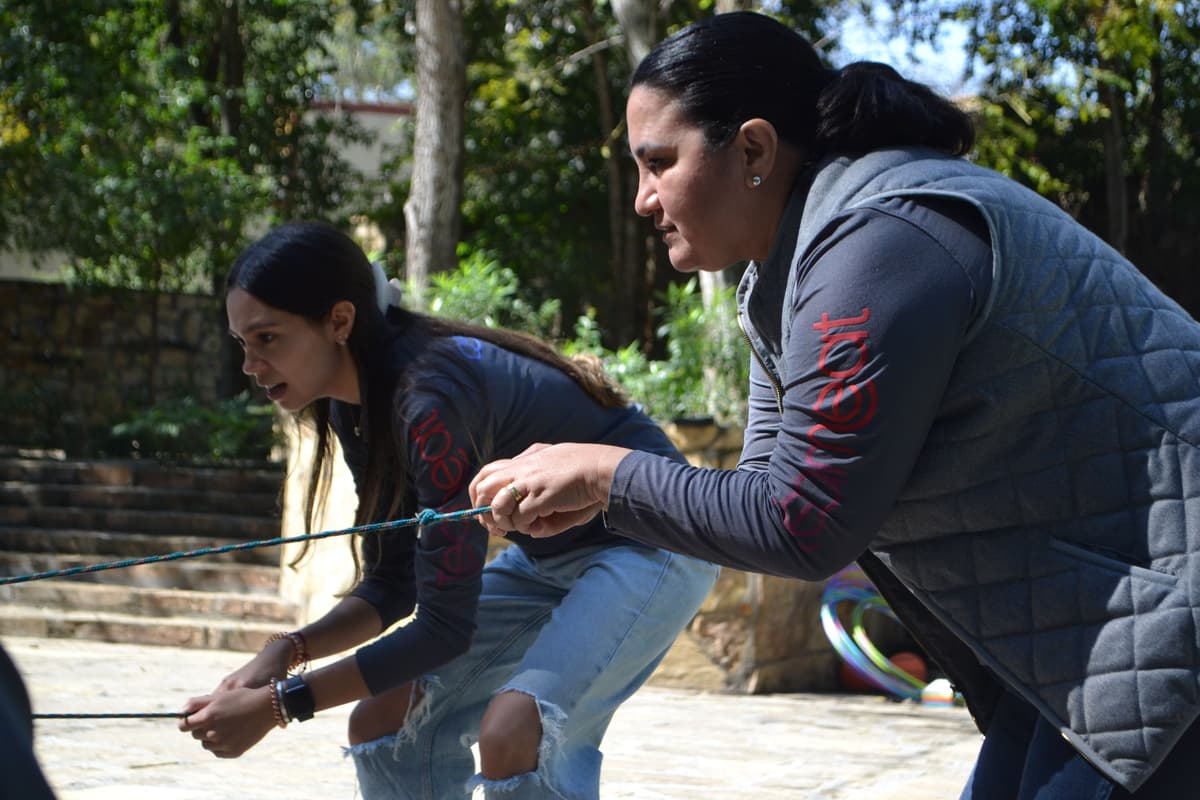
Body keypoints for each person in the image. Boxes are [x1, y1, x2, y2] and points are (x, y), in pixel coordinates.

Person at [470, 10, 1200, 799]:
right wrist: (605, 499)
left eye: (659, 163)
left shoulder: (879, 244)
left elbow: (802, 522)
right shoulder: (791, 276)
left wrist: (606, 474)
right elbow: (762, 506)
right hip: (1096, 632)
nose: (644, 199)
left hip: (1164, 612)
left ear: (753, 149)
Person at [177, 221, 718, 800]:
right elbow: (393, 582)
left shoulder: (428, 399)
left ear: (339, 321)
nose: (250, 365)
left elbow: (443, 629)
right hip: (548, 559)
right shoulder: (355, 406)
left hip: (651, 539)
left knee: (513, 732)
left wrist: (282, 704)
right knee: (382, 722)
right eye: (242, 343)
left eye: (267, 338)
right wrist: (286, 651)